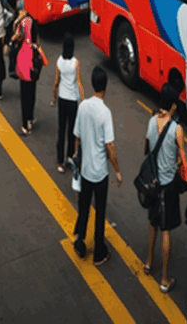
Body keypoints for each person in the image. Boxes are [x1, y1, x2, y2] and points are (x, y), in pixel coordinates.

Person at [72, 66, 122, 267]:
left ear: (92, 83)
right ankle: (99, 252)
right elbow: (110, 146)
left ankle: (80, 241)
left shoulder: (83, 106)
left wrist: (77, 154)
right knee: (100, 212)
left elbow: (77, 135)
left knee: (84, 207)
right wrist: (117, 169)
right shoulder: (105, 113)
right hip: (100, 173)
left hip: (85, 170)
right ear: (105, 86)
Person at [143, 84, 186, 294]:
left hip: (153, 183)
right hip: (168, 186)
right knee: (166, 229)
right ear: (173, 106)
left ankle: (149, 263)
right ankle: (164, 277)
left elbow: (147, 146)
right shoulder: (177, 130)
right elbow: (182, 161)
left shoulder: (151, 121)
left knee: (153, 223)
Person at [51, 32, 84, 173]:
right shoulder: (76, 63)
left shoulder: (59, 61)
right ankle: (70, 156)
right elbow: (79, 82)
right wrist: (83, 99)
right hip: (72, 100)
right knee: (72, 130)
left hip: (62, 99)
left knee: (61, 129)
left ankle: (60, 161)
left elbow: (56, 81)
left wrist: (53, 98)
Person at [13, 10, 45, 135]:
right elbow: (37, 42)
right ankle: (29, 120)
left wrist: (17, 21)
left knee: (23, 94)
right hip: (31, 63)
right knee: (31, 94)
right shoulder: (34, 25)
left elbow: (15, 37)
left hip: (22, 61)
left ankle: (24, 123)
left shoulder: (22, 23)